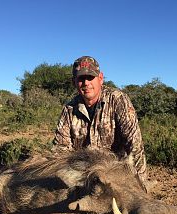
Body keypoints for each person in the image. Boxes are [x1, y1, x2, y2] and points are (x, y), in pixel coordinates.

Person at [52, 56, 149, 191]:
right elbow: (60, 152)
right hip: (83, 178)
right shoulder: (69, 109)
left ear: (100, 78)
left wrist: (141, 187)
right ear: (74, 82)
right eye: (81, 78)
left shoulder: (118, 99)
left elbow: (135, 146)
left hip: (118, 176)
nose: (86, 83)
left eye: (90, 77)